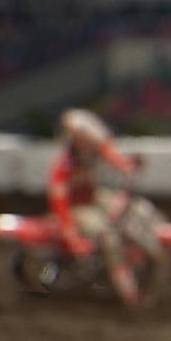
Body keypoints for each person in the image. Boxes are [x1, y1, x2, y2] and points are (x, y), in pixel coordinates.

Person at [47, 107, 151, 307]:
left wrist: (129, 165)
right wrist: (71, 234)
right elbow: (59, 202)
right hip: (77, 208)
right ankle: (127, 291)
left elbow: (112, 155)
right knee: (108, 237)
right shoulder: (63, 168)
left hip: (94, 199)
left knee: (133, 209)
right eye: (83, 138)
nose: (89, 142)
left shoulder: (91, 152)